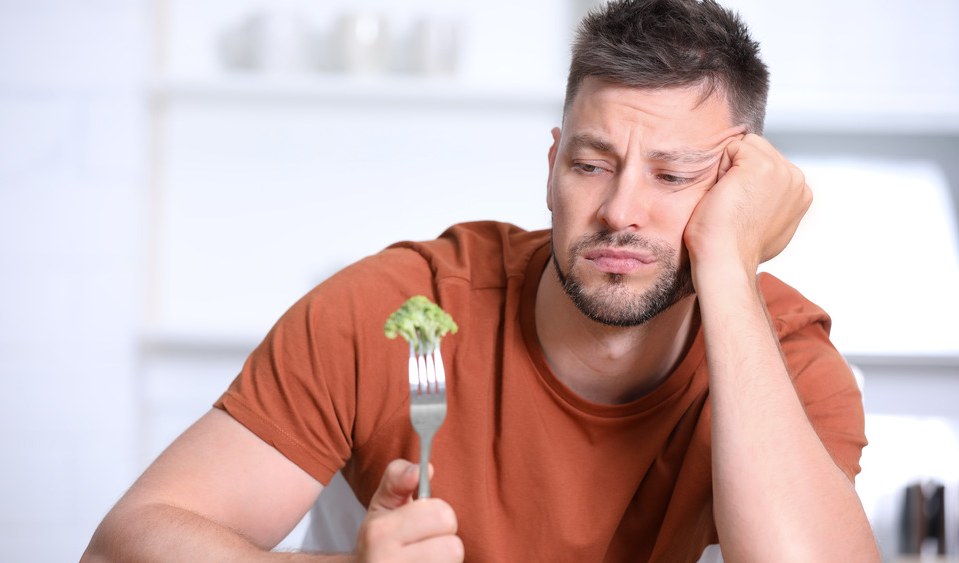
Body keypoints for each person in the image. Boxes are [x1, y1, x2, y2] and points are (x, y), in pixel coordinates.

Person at [83, 0, 881, 561]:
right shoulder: (398, 310)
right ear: (551, 169)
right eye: (591, 164)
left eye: (674, 176)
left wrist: (729, 267)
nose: (619, 210)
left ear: (738, 193)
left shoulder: (789, 360)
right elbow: (124, 544)